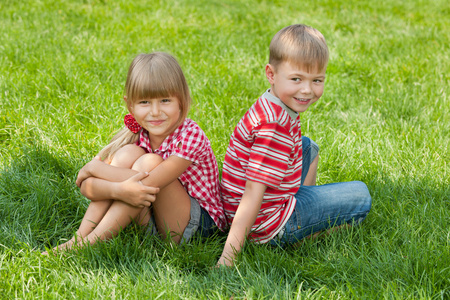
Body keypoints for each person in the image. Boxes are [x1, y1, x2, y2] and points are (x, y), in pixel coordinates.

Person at [217, 24, 372, 267]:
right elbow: (253, 191)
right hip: (266, 223)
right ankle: (294, 234)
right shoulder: (274, 127)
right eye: (297, 79)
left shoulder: (274, 101)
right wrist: (228, 258)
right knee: (361, 196)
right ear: (271, 74)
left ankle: (302, 208)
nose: (307, 90)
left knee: (308, 147)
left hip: (253, 205)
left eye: (317, 80)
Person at [46, 52, 226, 253]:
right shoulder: (136, 133)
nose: (155, 112)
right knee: (128, 154)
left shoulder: (191, 136)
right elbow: (87, 188)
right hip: (153, 215)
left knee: (148, 164)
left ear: (181, 101)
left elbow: (144, 185)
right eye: (144, 102)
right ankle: (77, 239)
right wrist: (117, 190)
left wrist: (95, 168)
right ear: (130, 104)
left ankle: (88, 245)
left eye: (165, 100)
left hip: (195, 226)